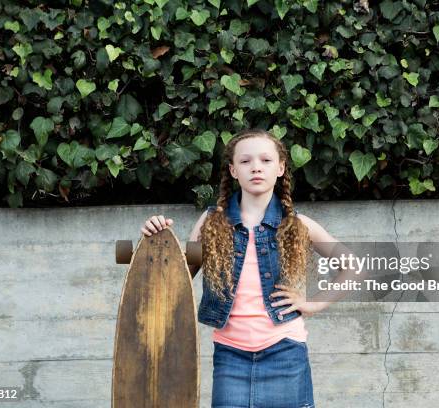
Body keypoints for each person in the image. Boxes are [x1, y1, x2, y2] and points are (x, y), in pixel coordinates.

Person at [141, 128, 346, 408]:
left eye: (265, 160)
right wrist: (158, 238)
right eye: (246, 161)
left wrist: (312, 304)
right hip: (230, 356)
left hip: (285, 351)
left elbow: (352, 266)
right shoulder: (211, 221)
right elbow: (179, 279)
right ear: (233, 170)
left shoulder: (297, 224)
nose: (256, 168)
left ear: (281, 168)